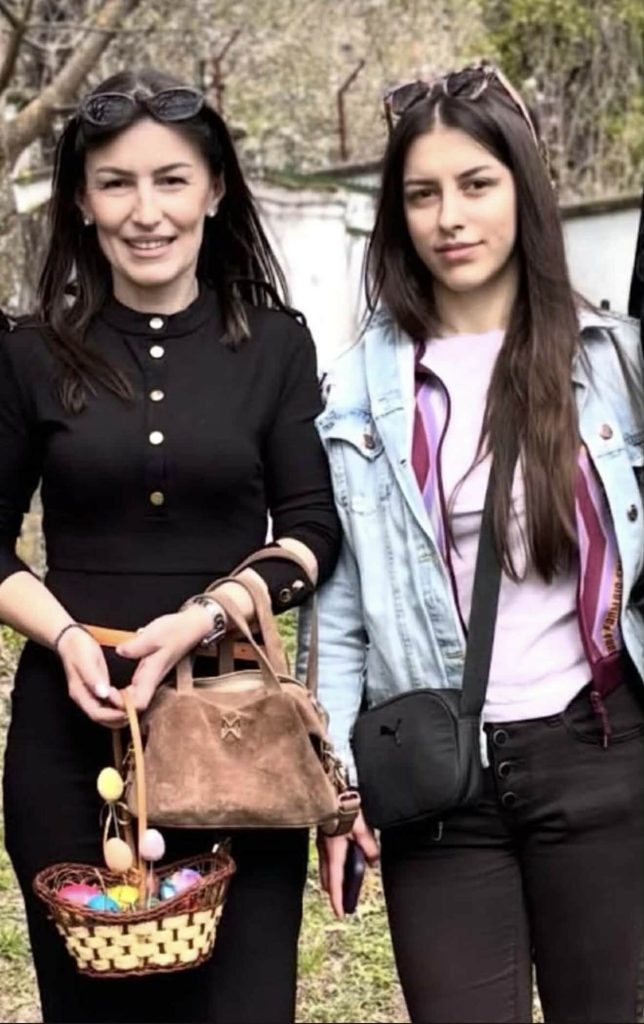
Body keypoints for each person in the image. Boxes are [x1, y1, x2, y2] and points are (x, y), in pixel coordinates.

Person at [0, 69, 340, 1024]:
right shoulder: (30, 352)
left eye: (172, 180)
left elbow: (312, 531)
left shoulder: (275, 345)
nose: (145, 211)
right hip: (70, 733)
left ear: (215, 190)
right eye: (116, 183)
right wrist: (69, 639)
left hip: (233, 730)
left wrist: (202, 619)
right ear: (81, 199)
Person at [310, 63, 644, 1024]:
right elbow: (342, 606)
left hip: (599, 747)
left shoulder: (612, 362)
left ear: (522, 190)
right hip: (435, 773)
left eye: (475, 184)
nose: (450, 217)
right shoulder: (359, 390)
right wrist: (337, 788)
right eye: (423, 194)